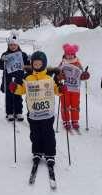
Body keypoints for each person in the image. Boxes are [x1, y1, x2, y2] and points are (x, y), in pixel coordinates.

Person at [9, 51, 66, 186]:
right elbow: (22, 90)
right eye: (35, 63)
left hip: (47, 114)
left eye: (40, 63)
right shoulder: (28, 78)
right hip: (33, 113)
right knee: (35, 134)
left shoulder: (50, 78)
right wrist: (14, 87)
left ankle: (50, 153)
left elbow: (57, 91)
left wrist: (62, 89)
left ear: (44, 64)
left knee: (48, 133)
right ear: (32, 64)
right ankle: (37, 151)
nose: (37, 65)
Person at [57, 43, 90, 132]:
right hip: (65, 88)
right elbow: (57, 74)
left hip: (75, 88)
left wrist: (85, 75)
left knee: (75, 105)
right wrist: (60, 76)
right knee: (65, 104)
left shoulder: (78, 63)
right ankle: (66, 120)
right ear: (65, 54)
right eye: (68, 54)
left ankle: (75, 120)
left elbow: (82, 75)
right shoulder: (62, 63)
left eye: (72, 54)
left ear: (74, 54)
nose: (70, 56)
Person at [0, 31, 29, 122]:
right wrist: (2, 60)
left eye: (14, 45)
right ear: (8, 45)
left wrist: (29, 60)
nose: (13, 46)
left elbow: (27, 66)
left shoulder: (22, 54)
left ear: (18, 45)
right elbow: (0, 67)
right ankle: (9, 112)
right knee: (9, 96)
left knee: (18, 96)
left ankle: (19, 112)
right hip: (8, 78)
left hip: (19, 78)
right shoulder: (5, 54)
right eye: (11, 45)